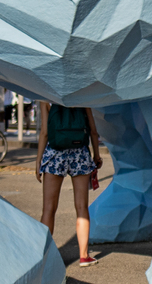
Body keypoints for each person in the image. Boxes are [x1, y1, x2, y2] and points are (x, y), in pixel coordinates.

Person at [36, 102, 103, 267]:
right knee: (81, 207)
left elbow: (44, 132)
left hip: (54, 153)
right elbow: (93, 131)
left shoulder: (45, 97)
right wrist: (96, 154)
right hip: (79, 152)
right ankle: (84, 256)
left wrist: (39, 161)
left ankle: (43, 257)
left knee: (49, 209)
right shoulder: (82, 96)